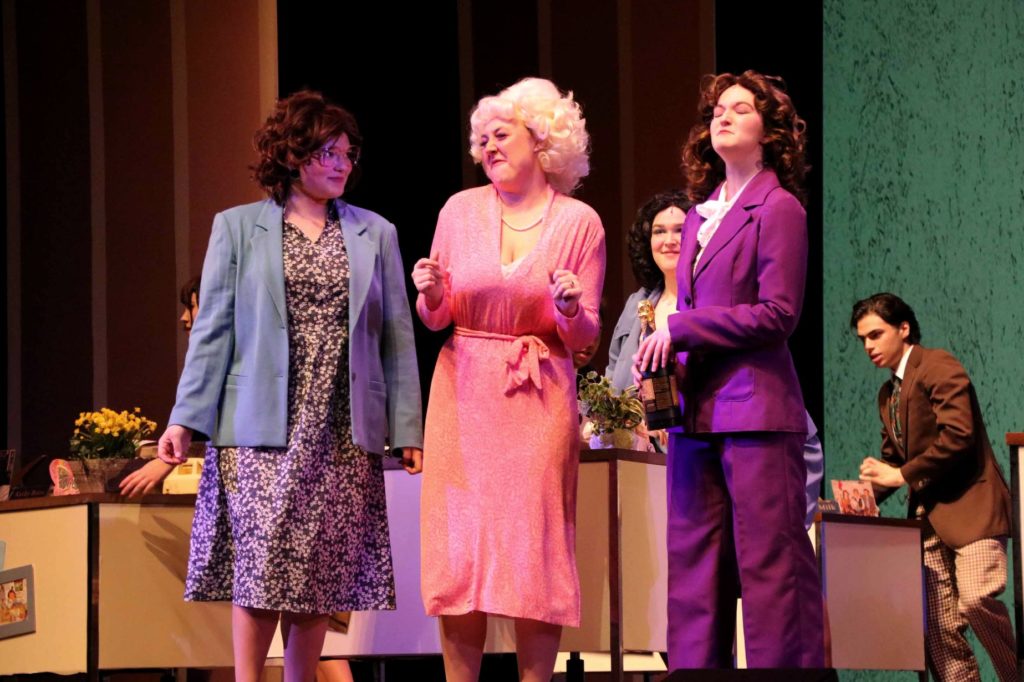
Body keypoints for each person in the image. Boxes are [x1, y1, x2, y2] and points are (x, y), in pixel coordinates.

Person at [155, 90, 424, 682]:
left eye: (349, 154)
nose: (341, 164)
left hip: (341, 427)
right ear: (292, 154)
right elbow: (213, 331)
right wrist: (184, 418)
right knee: (261, 563)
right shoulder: (237, 228)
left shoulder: (374, 232)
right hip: (257, 426)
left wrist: (407, 428)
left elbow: (396, 337)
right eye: (328, 152)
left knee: (319, 569)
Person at [412, 77, 605, 682]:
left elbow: (585, 339)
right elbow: (438, 317)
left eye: (503, 134)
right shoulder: (458, 210)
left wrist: (571, 309)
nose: (489, 145)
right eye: (483, 138)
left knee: (534, 549)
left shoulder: (580, 223)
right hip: (463, 391)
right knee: (460, 547)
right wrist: (434, 295)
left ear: (542, 141)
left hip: (539, 394)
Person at [635, 71, 823, 669]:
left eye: (740, 110)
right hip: (694, 414)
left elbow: (779, 313)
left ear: (769, 132)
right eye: (717, 109)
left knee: (771, 573)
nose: (723, 116)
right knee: (693, 573)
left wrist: (682, 329)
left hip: (756, 410)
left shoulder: (780, 207)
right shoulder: (697, 215)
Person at [853, 293, 1015, 682]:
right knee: (940, 630)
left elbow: (959, 435)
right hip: (928, 521)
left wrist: (902, 475)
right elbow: (893, 461)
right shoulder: (888, 393)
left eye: (876, 334)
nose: (869, 346)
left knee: (976, 599)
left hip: (970, 508)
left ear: (903, 328)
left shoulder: (937, 365)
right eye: (863, 340)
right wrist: (861, 497)